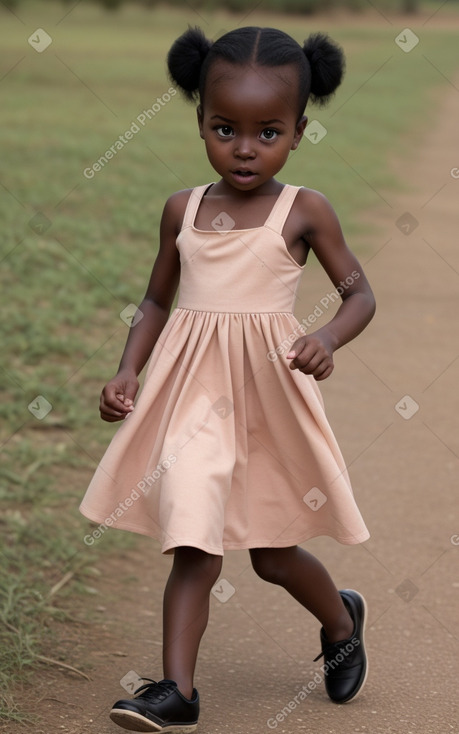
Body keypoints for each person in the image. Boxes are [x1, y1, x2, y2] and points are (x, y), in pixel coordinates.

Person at [79, 25, 376, 733]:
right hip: (191, 398)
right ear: (200, 123)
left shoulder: (303, 209)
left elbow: (359, 293)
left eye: (267, 132)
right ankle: (177, 691)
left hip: (268, 396)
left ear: (299, 131)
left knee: (273, 555)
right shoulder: (182, 209)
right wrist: (127, 370)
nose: (244, 148)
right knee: (192, 539)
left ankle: (340, 621)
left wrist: (326, 336)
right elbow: (155, 301)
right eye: (224, 129)